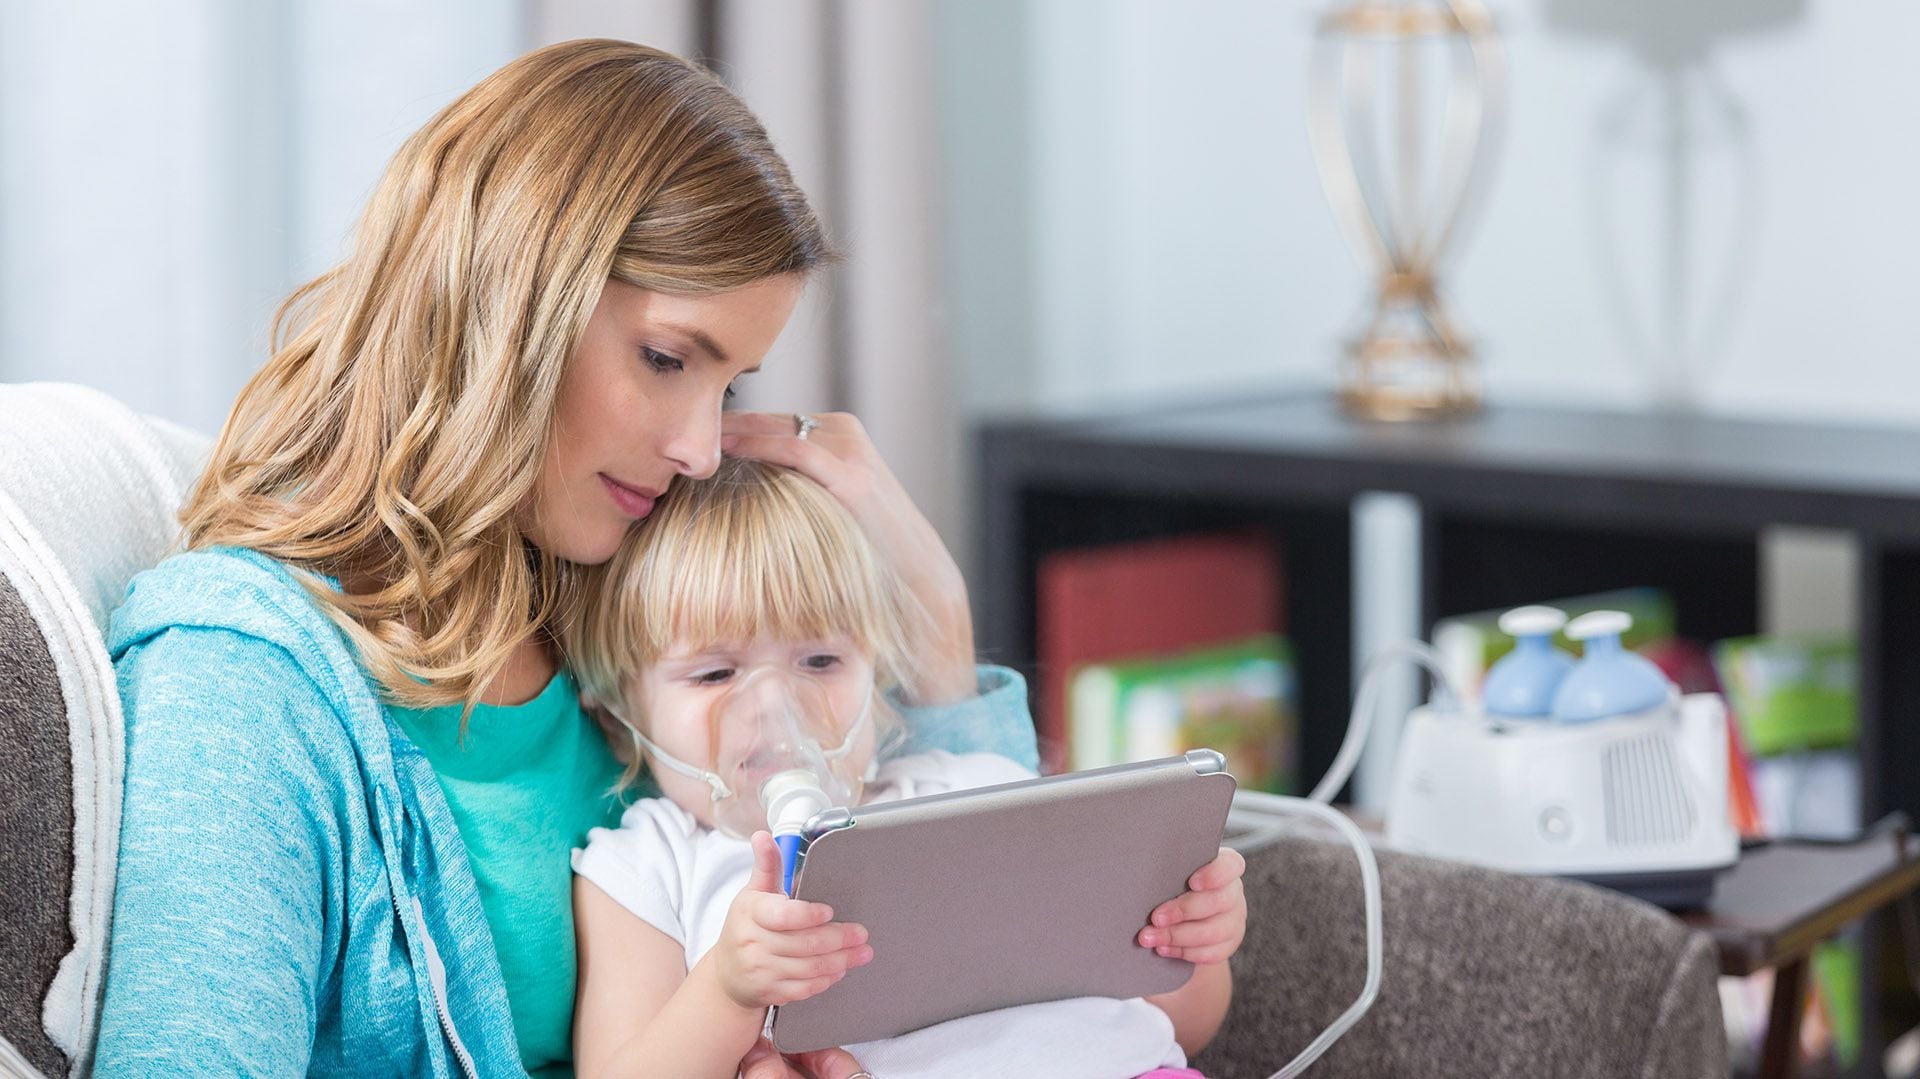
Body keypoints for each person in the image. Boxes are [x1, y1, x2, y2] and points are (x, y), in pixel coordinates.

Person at [97, 40, 1048, 1078]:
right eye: (667, 359)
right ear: (511, 306)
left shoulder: (620, 592)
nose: (697, 448)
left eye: (726, 388)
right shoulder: (242, 681)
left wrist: (937, 617)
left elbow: (1003, 970)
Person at [564, 457, 1248, 1079]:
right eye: (715, 672)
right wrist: (726, 988)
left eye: (821, 661)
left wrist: (1194, 937)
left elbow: (1182, 1020)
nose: (775, 706)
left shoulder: (975, 787)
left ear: (877, 673)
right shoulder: (648, 866)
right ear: (618, 710)